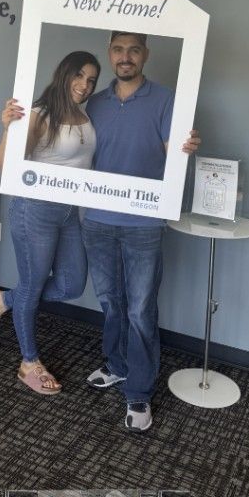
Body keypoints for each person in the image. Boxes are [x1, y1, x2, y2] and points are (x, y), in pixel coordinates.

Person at [82, 31, 200, 432]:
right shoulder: (94, 102)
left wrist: (185, 149)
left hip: (144, 223)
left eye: (134, 49)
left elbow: (172, 156)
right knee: (110, 301)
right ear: (109, 53)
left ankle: (139, 391)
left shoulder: (167, 100)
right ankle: (116, 365)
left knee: (139, 309)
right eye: (118, 49)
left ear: (145, 55)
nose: (126, 56)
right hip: (97, 218)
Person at [0, 51, 100, 395]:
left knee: (72, 284)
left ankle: (2, 302)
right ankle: (28, 363)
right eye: (79, 76)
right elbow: (6, 163)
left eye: (91, 79)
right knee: (32, 288)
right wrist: (7, 129)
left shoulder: (84, 116)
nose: (84, 85)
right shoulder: (40, 114)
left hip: (68, 213)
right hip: (34, 211)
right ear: (63, 74)